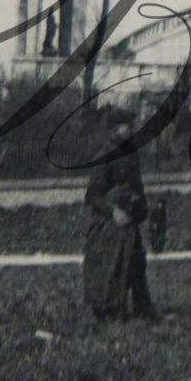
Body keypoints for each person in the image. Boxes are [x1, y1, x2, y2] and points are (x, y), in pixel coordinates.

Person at [82, 105, 156, 322]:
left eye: (131, 126)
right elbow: (93, 195)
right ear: (114, 129)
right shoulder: (104, 156)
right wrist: (113, 211)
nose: (130, 130)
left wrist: (143, 209)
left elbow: (137, 186)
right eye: (125, 127)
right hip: (109, 225)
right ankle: (109, 309)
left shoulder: (131, 155)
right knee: (112, 266)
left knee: (137, 263)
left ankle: (144, 308)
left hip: (129, 219)